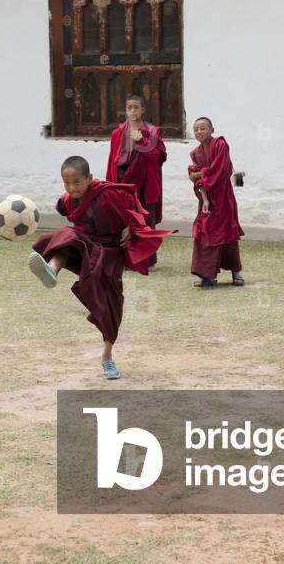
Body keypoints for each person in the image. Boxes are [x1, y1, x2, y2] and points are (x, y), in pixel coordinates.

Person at [27, 156, 174, 379]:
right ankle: (51, 271)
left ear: (89, 178)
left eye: (77, 182)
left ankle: (107, 357)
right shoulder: (67, 200)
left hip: (109, 252)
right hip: (86, 245)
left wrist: (131, 227)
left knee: (111, 306)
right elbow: (64, 209)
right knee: (67, 236)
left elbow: (135, 206)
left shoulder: (108, 193)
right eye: (66, 183)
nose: (72, 188)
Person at [105, 95, 167, 267]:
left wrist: (142, 140)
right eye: (129, 107)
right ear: (125, 110)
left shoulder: (153, 131)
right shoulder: (117, 133)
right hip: (122, 179)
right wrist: (110, 184)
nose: (132, 111)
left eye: (136, 107)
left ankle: (147, 261)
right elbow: (112, 160)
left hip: (145, 181)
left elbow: (157, 157)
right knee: (124, 219)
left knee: (145, 220)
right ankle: (126, 260)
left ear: (143, 110)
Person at [188, 117, 245, 288]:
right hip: (207, 199)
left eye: (203, 128)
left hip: (223, 197)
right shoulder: (195, 153)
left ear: (212, 130)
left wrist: (199, 174)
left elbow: (220, 169)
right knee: (204, 232)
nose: (199, 132)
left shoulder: (220, 145)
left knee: (227, 233)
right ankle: (207, 276)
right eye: (196, 129)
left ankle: (236, 273)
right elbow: (197, 179)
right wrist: (204, 199)